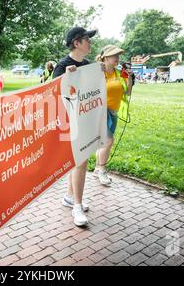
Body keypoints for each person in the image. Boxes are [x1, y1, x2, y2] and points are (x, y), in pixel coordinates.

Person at [53, 26, 97, 227]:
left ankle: (70, 196)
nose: (91, 42)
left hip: (84, 118)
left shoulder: (88, 64)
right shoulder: (62, 65)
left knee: (79, 160)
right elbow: (52, 94)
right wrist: (65, 78)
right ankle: (77, 207)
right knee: (80, 162)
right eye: (87, 39)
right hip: (69, 122)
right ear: (76, 43)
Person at [93, 45, 132, 185]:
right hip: (100, 111)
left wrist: (129, 76)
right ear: (105, 57)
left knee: (104, 143)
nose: (117, 58)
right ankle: (102, 170)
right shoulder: (97, 71)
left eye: (118, 56)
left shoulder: (120, 73)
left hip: (113, 112)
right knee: (109, 141)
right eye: (114, 55)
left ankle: (97, 169)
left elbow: (127, 92)